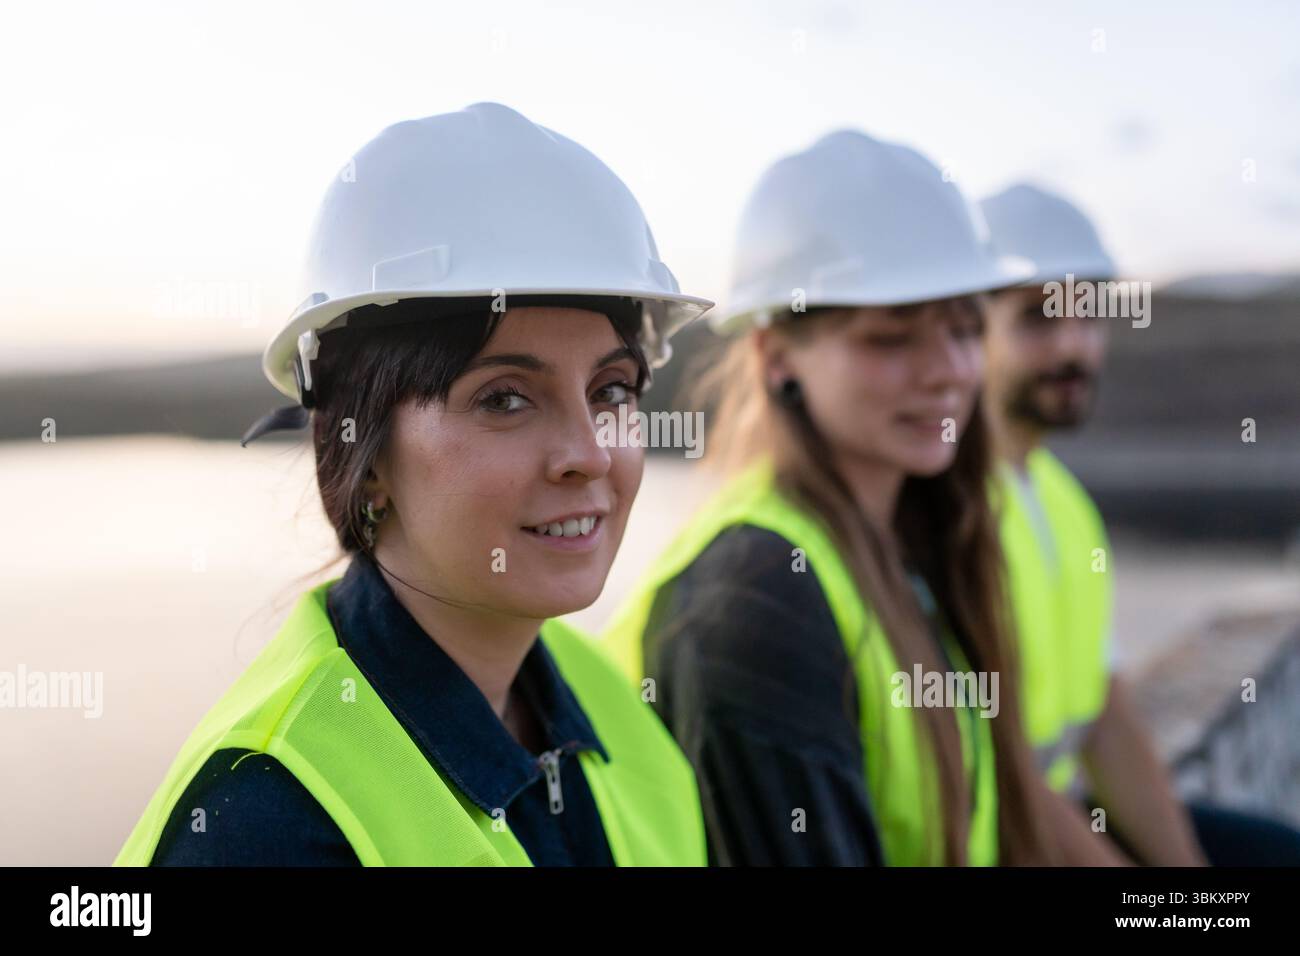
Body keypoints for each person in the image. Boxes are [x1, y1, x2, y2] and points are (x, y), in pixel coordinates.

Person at [113, 103, 710, 867]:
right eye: (505, 399)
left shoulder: (603, 698)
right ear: (368, 459)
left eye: (612, 391)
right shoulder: (266, 817)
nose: (588, 455)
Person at [601, 131, 1122, 866]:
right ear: (778, 357)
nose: (947, 372)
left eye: (965, 330)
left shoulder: (920, 540)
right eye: (891, 340)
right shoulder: (753, 601)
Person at [980, 181, 1300, 866]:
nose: (1074, 346)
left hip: (1067, 813)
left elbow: (1107, 716)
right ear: (967, 330)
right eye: (1038, 319)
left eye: (1087, 315)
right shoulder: (945, 512)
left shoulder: (1064, 502)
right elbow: (1005, 784)